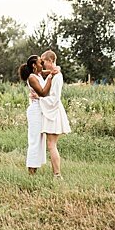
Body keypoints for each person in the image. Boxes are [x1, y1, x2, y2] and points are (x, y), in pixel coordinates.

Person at [36, 50, 71, 179]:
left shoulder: (58, 77)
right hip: (52, 111)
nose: (43, 65)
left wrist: (40, 99)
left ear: (50, 61)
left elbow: (55, 98)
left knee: (52, 145)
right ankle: (56, 173)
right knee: (51, 145)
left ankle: (57, 174)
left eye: (44, 62)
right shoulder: (54, 74)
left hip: (54, 113)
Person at [23, 56, 51, 175]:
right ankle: (31, 172)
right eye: (41, 62)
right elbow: (43, 92)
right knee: (34, 141)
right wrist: (50, 78)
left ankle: (34, 170)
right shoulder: (32, 77)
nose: (43, 64)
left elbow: (51, 70)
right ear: (34, 65)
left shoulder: (39, 74)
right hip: (35, 112)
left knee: (40, 141)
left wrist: (54, 70)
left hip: (41, 111)